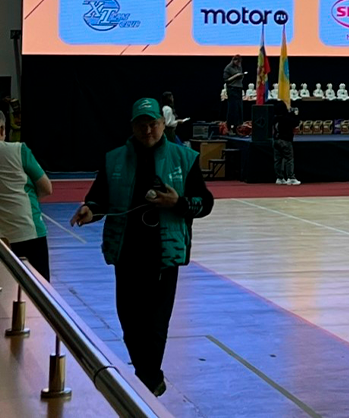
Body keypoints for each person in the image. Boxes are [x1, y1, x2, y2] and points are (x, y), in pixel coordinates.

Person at [69, 98, 214, 397]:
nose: (147, 130)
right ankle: (147, 377)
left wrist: (178, 202)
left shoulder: (185, 158)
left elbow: (205, 203)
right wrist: (90, 210)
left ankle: (148, 383)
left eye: (153, 124)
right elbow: (99, 199)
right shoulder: (113, 159)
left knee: (156, 323)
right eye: (141, 125)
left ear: (162, 124)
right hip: (127, 252)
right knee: (130, 322)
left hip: (164, 254)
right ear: (132, 126)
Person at [0, 111, 53, 281]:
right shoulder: (18, 150)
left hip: (3, 239)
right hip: (28, 232)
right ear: (2, 130)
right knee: (39, 289)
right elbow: (46, 188)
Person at [273, 101, 302, 186]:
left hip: (276, 140)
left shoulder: (275, 118)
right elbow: (296, 122)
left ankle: (279, 178)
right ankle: (291, 178)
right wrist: (295, 114)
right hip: (285, 140)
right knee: (289, 159)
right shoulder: (286, 118)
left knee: (278, 160)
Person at [223, 55, 245, 134]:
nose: (238, 63)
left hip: (239, 88)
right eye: (237, 61)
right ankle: (229, 127)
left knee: (239, 108)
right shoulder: (228, 68)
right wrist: (236, 76)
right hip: (232, 89)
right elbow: (226, 80)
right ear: (234, 60)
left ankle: (236, 127)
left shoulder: (239, 67)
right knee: (232, 108)